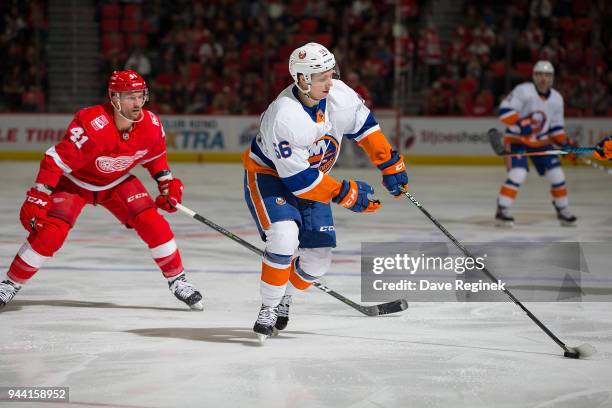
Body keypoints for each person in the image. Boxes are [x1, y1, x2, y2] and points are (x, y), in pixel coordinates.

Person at [241, 43, 408, 340]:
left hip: (314, 179)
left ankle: (284, 297)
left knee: (317, 261)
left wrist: (390, 163)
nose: (331, 83)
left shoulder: (338, 95)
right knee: (284, 237)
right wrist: (346, 193)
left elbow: (366, 128)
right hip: (271, 178)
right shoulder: (286, 116)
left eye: (331, 75)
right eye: (322, 78)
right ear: (303, 80)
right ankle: (268, 307)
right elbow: (299, 182)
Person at [0, 70, 203, 311]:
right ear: (114, 98)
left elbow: (156, 157)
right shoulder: (93, 125)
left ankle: (178, 280)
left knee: (153, 223)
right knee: (50, 234)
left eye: (140, 95)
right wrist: (38, 196)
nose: (137, 103)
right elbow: (54, 160)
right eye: (130, 97)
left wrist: (167, 183)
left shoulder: (151, 124)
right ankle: (10, 284)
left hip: (116, 182)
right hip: (75, 183)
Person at [495, 60, 577, 227]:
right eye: (539, 74)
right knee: (518, 173)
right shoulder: (523, 91)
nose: (543, 78)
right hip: (517, 141)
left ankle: (562, 209)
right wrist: (520, 124)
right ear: (534, 76)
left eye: (547, 75)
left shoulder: (557, 99)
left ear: (552, 78)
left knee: (557, 175)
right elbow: (504, 112)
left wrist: (566, 144)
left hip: (541, 143)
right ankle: (502, 209)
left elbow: (556, 129)